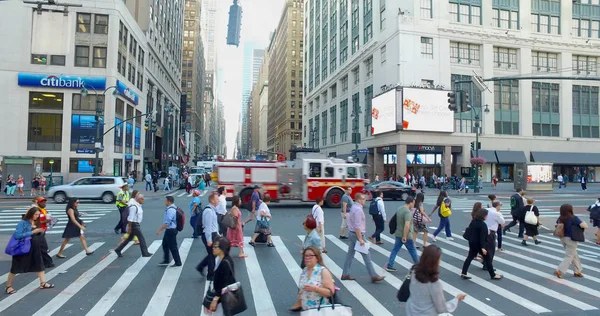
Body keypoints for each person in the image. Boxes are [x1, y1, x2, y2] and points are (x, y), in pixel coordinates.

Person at [5, 206, 54, 294]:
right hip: (23, 249)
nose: (37, 216)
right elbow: (17, 235)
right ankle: (8, 286)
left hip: (35, 248)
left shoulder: (37, 222)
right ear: (31, 214)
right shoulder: (23, 223)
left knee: (40, 265)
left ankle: (43, 283)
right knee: (15, 268)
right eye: (35, 214)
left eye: (38, 215)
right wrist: (33, 232)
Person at [406, 245, 466, 316]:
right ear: (435, 262)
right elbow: (441, 308)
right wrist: (456, 300)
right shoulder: (434, 283)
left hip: (411, 310)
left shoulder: (413, 270)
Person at [341, 193, 385, 282]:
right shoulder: (358, 210)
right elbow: (357, 226)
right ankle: (373, 275)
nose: (365, 200)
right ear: (359, 200)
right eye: (363, 199)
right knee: (366, 254)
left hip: (352, 233)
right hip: (357, 234)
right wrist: (360, 239)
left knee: (350, 255)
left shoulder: (354, 207)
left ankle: (345, 274)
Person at [289, 246, 335, 312]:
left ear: (317, 258)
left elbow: (330, 292)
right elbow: (301, 290)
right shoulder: (304, 271)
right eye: (306, 256)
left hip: (320, 311)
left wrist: (315, 289)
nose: (307, 258)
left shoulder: (323, 271)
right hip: (306, 311)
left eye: (310, 256)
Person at [460, 209, 501, 280]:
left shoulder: (473, 222)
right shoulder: (483, 225)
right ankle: (493, 275)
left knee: (469, 257)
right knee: (488, 259)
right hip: (479, 244)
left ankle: (464, 272)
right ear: (484, 216)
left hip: (472, 242)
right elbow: (482, 237)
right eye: (486, 215)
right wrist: (483, 248)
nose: (487, 216)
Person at [203, 237, 236, 315]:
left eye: (215, 247)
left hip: (222, 299)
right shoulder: (221, 259)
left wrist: (215, 299)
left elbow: (225, 283)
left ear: (222, 248)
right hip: (222, 297)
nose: (213, 248)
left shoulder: (225, 263)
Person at [386, 197, 420, 272]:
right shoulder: (407, 212)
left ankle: (390, 265)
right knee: (412, 250)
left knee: (395, 250)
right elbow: (407, 225)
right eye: (413, 203)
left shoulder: (399, 209)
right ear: (410, 202)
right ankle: (418, 265)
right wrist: (405, 236)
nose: (414, 204)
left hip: (398, 233)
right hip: (406, 235)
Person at [555, 204, 588, 279]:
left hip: (562, 238)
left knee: (574, 254)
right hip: (571, 239)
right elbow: (584, 226)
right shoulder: (574, 218)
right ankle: (559, 270)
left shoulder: (560, 218)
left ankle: (577, 271)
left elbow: (556, 225)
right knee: (569, 256)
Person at [197, 192, 221, 280]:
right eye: (217, 199)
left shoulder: (212, 209)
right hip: (209, 234)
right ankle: (210, 275)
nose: (218, 200)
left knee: (213, 254)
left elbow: (214, 224)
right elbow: (207, 227)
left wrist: (218, 234)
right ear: (212, 200)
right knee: (212, 254)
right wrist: (209, 240)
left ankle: (201, 266)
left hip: (213, 234)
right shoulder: (208, 211)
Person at [156, 196, 182, 267]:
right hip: (170, 230)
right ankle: (166, 259)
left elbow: (167, 223)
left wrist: (159, 230)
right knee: (165, 244)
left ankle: (178, 262)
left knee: (173, 247)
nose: (165, 202)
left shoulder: (170, 210)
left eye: (165, 201)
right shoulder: (173, 208)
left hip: (171, 230)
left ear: (169, 201)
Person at [482, 201, 505, 271]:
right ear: (498, 206)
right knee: (491, 249)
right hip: (491, 232)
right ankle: (487, 264)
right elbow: (502, 222)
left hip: (483, 230)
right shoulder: (496, 213)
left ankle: (484, 261)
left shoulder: (486, 210)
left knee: (484, 247)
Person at [35, 197, 54, 268]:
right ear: (38, 203)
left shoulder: (44, 210)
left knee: (41, 247)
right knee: (43, 247)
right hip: (38, 231)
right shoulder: (37, 211)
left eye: (45, 202)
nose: (44, 203)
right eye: (42, 202)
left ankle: (42, 262)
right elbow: (35, 221)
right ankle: (47, 262)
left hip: (43, 230)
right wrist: (45, 221)